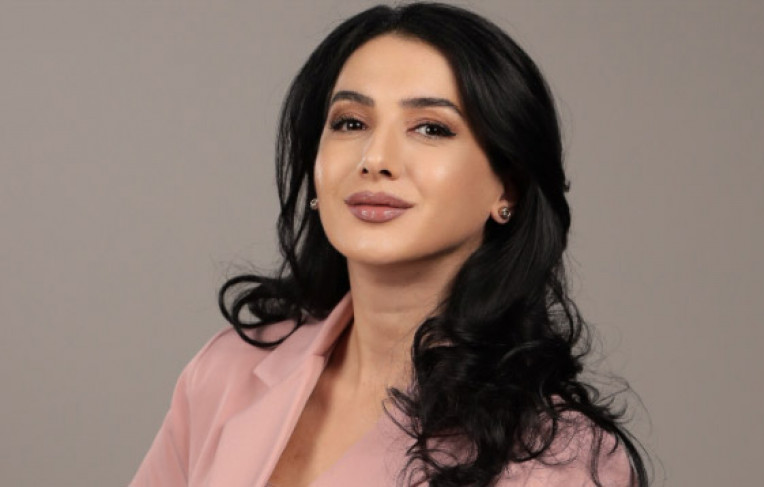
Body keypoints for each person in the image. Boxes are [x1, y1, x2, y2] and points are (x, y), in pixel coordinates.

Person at [131, 3, 648, 486]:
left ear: (507, 188)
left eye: (431, 128)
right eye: (350, 122)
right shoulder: (225, 371)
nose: (375, 158)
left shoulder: (557, 457)